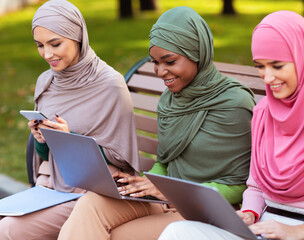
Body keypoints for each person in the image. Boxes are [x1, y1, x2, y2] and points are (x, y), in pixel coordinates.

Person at [158, 10, 304, 240]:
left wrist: (300, 231)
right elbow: (255, 187)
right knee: (179, 231)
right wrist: (249, 213)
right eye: (260, 66)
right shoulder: (264, 111)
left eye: (277, 66)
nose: (268, 77)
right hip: (263, 229)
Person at [57, 6, 255, 240]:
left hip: (207, 210)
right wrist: (148, 181)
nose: (160, 72)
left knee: (118, 235)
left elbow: (242, 184)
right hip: (166, 198)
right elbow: (165, 160)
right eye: (155, 62)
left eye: (169, 61)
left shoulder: (234, 104)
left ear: (197, 53)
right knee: (91, 204)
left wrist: (170, 191)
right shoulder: (170, 100)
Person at [0, 0, 139, 239]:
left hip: (93, 192)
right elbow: (45, 157)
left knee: (9, 229)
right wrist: (43, 141)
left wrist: (70, 139)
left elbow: (122, 160)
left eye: (55, 43)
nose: (47, 54)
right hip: (50, 186)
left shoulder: (109, 85)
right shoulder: (47, 81)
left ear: (78, 37)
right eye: (40, 45)